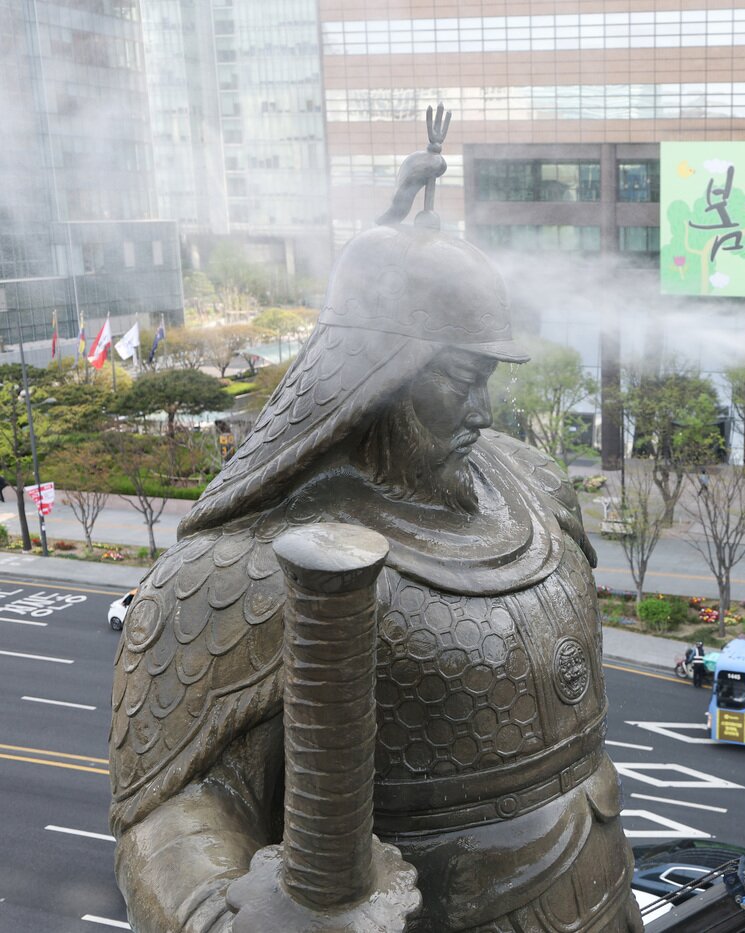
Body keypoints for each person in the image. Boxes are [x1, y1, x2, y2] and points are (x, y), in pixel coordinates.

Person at [107, 132, 642, 931]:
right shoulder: (244, 571)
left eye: (487, 382)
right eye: (460, 382)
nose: (483, 412)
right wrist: (225, 916)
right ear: (377, 381)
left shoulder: (532, 482)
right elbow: (172, 813)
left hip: (602, 892)